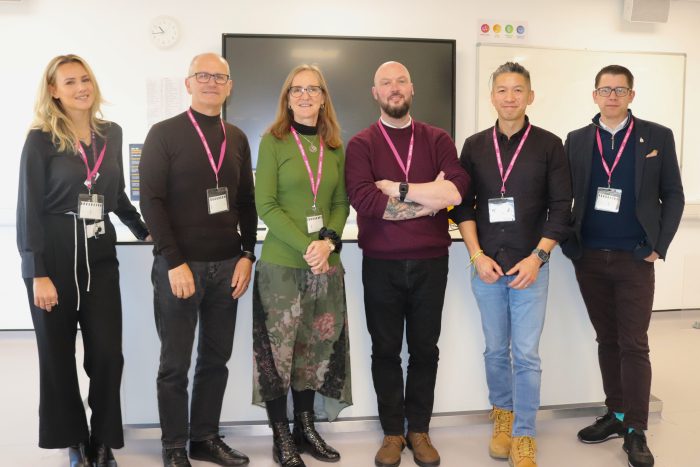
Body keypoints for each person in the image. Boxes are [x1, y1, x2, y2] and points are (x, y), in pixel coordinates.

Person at [16, 54, 150, 467]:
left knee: (108, 355)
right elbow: (28, 208)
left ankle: (103, 440)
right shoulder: (41, 138)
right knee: (57, 357)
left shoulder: (111, 132)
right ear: (54, 90)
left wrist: (143, 229)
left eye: (85, 79)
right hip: (53, 254)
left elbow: (114, 194)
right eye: (69, 81)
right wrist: (36, 272)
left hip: (99, 255)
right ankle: (73, 439)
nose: (80, 88)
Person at [345, 61, 470, 467]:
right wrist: (428, 201)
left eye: (401, 82)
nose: (394, 88)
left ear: (412, 90)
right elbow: (366, 202)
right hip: (380, 264)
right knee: (384, 350)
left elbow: (456, 189)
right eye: (386, 83)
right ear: (375, 92)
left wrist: (400, 191)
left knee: (424, 350)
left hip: (431, 262)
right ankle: (392, 432)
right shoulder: (362, 144)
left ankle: (419, 429)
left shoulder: (437, 138)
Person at [450, 62, 572, 467]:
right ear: (492, 97)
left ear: (530, 96)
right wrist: (475, 255)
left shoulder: (550, 145)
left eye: (517, 90)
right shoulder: (473, 146)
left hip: (530, 268)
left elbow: (561, 209)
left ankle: (524, 434)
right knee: (494, 351)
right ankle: (501, 417)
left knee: (527, 354)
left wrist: (538, 258)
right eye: (501, 90)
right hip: (486, 266)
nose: (509, 97)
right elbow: (461, 206)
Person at [562, 65, 684, 467]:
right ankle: (615, 416)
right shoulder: (577, 140)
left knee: (634, 344)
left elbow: (673, 195)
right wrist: (569, 243)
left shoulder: (657, 136)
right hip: (591, 256)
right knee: (606, 340)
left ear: (631, 95)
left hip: (635, 258)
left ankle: (636, 429)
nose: (611, 96)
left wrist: (657, 246)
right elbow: (563, 196)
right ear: (594, 95)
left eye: (619, 89)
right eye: (604, 89)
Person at [139, 53, 257, 467]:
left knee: (215, 359)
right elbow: (150, 202)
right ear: (188, 84)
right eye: (202, 75)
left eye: (219, 76)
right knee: (175, 363)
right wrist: (173, 262)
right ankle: (174, 445)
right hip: (180, 268)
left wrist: (247, 255)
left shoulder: (237, 137)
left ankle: (205, 437)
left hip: (228, 267)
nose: (211, 82)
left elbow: (246, 202)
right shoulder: (164, 134)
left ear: (229, 85)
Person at [253, 64, 351, 467]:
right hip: (281, 265)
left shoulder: (334, 145)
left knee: (313, 349)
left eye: (313, 89)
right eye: (297, 90)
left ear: (324, 97)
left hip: (324, 266)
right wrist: (309, 245)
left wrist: (328, 242)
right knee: (279, 354)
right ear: (287, 97)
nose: (305, 96)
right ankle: (281, 434)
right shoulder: (272, 141)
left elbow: (341, 203)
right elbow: (267, 206)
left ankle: (305, 428)